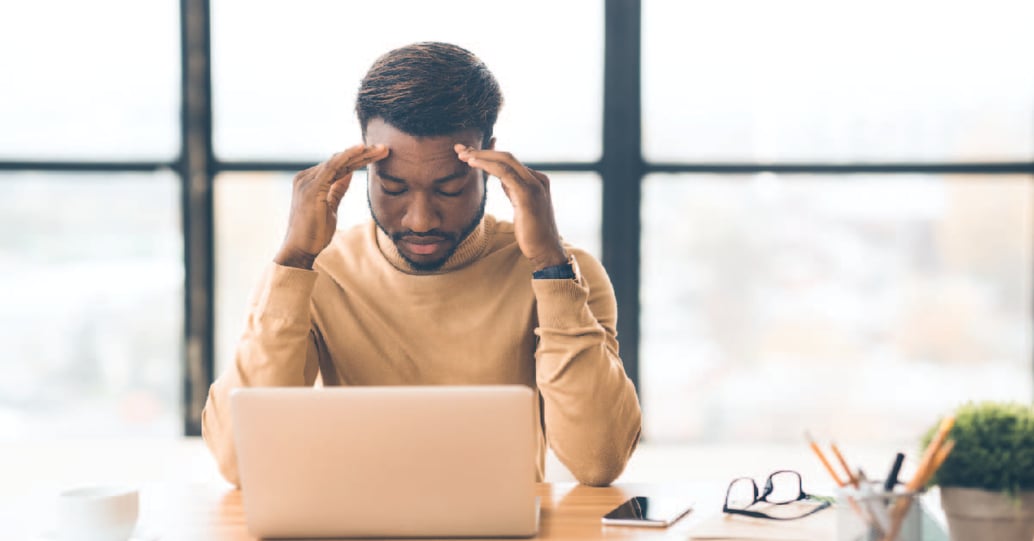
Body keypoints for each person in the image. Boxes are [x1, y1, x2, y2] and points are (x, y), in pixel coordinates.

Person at [202, 42, 641, 488]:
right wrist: (294, 260)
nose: (421, 219)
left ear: (489, 160)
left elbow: (598, 461)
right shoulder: (315, 275)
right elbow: (239, 463)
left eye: (449, 188)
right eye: (393, 188)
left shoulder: (562, 273)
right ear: (363, 161)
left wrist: (550, 268)